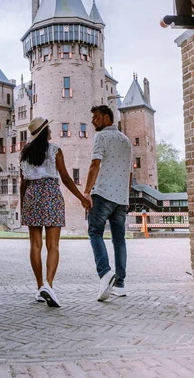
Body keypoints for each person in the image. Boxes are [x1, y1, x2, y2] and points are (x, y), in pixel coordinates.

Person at [20, 116, 91, 307]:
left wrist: (22, 206)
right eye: (48, 128)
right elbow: (66, 178)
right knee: (53, 245)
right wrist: (82, 198)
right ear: (45, 131)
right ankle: (49, 285)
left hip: (31, 196)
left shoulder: (24, 153)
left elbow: (23, 183)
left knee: (35, 245)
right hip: (51, 194)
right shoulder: (54, 150)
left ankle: (39, 287)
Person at [83, 105, 133, 302]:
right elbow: (130, 173)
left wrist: (86, 191)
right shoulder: (127, 141)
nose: (93, 121)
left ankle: (105, 274)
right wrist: (126, 197)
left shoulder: (101, 137)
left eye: (95, 118)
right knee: (119, 240)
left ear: (106, 117)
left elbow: (95, 164)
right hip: (121, 198)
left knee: (94, 231)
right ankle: (120, 285)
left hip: (103, 194)